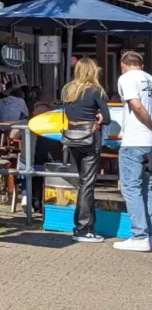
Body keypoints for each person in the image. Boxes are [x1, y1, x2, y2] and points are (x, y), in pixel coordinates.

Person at [61, 58, 111, 243]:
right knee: (87, 184)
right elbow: (106, 118)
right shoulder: (96, 91)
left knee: (82, 183)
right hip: (89, 138)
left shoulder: (68, 90)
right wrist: (98, 117)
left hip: (72, 137)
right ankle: (82, 228)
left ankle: (88, 226)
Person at [114, 51, 152, 252]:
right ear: (142, 64)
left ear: (122, 65)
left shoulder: (126, 78)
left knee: (131, 188)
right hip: (150, 143)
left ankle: (140, 235)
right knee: (149, 188)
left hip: (135, 139)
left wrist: (150, 123)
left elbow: (135, 105)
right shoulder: (150, 79)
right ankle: (149, 234)